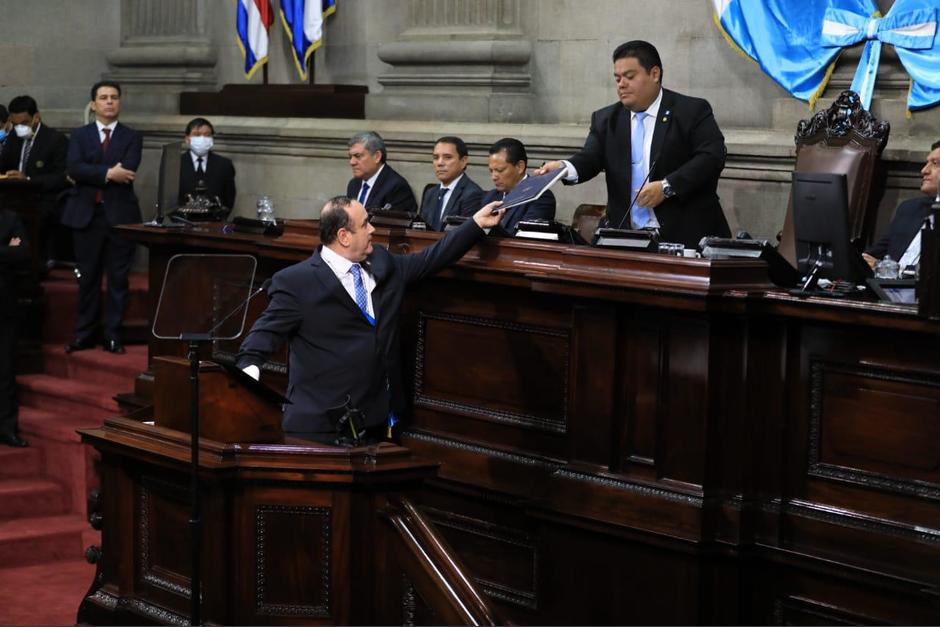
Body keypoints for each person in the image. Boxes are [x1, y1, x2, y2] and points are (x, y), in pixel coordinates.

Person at [236, 195, 506, 443]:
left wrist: (475, 224)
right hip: (320, 428)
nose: (373, 230)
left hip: (375, 422)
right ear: (344, 236)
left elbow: (431, 258)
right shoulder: (296, 282)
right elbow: (261, 339)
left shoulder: (383, 265)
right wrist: (249, 375)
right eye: (365, 224)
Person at [536, 40, 730, 248]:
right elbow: (590, 157)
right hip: (627, 238)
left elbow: (712, 157)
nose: (621, 84)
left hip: (685, 237)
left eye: (629, 77)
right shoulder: (606, 119)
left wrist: (667, 187)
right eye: (617, 78)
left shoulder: (690, 111)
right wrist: (563, 168)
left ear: (654, 74)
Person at [61, 81, 142, 355]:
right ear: (93, 104)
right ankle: (84, 333)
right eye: (104, 98)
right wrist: (108, 174)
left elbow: (128, 170)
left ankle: (113, 335)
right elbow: (74, 167)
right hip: (86, 216)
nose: (109, 102)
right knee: (88, 279)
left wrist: (92, 172)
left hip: (120, 217)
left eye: (114, 97)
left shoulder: (132, 136)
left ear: (120, 103)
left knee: (119, 279)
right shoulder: (80, 135)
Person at [0, 95, 69, 267]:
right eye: (15, 124)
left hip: (42, 198)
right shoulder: (13, 138)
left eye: (24, 123)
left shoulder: (55, 140)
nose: (20, 128)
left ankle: (34, 267)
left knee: (31, 219)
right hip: (12, 198)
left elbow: (62, 177)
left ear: (36, 117)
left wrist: (29, 179)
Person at [863, 140, 940, 271]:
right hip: (883, 287)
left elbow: (932, 275)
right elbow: (873, 254)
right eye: (927, 163)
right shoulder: (910, 209)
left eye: (935, 164)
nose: (924, 170)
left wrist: (882, 268)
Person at [480, 137, 555, 236]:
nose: (494, 177)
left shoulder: (540, 196)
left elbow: (525, 240)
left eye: (500, 170)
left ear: (520, 167)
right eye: (491, 171)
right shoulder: (490, 197)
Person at [0, 210, 30, 447]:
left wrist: (11, 251)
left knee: (6, 371)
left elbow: (22, 254)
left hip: (5, 307)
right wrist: (5, 249)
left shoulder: (11, 219)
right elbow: (11, 253)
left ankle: (7, 429)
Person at [418, 136, 484, 231]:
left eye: (447, 157)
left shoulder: (472, 194)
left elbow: (465, 234)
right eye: (436, 157)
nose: (440, 163)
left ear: (463, 161)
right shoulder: (430, 192)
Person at [345, 131, 417, 213]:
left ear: (377, 157)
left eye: (358, 156)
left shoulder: (397, 187)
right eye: (350, 157)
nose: (352, 162)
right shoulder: (354, 184)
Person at [178, 117, 236, 210]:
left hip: (214, 220)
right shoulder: (176, 164)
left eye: (207, 135)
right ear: (187, 139)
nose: (202, 138)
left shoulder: (224, 165)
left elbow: (229, 199)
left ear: (212, 139)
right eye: (196, 135)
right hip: (182, 220)